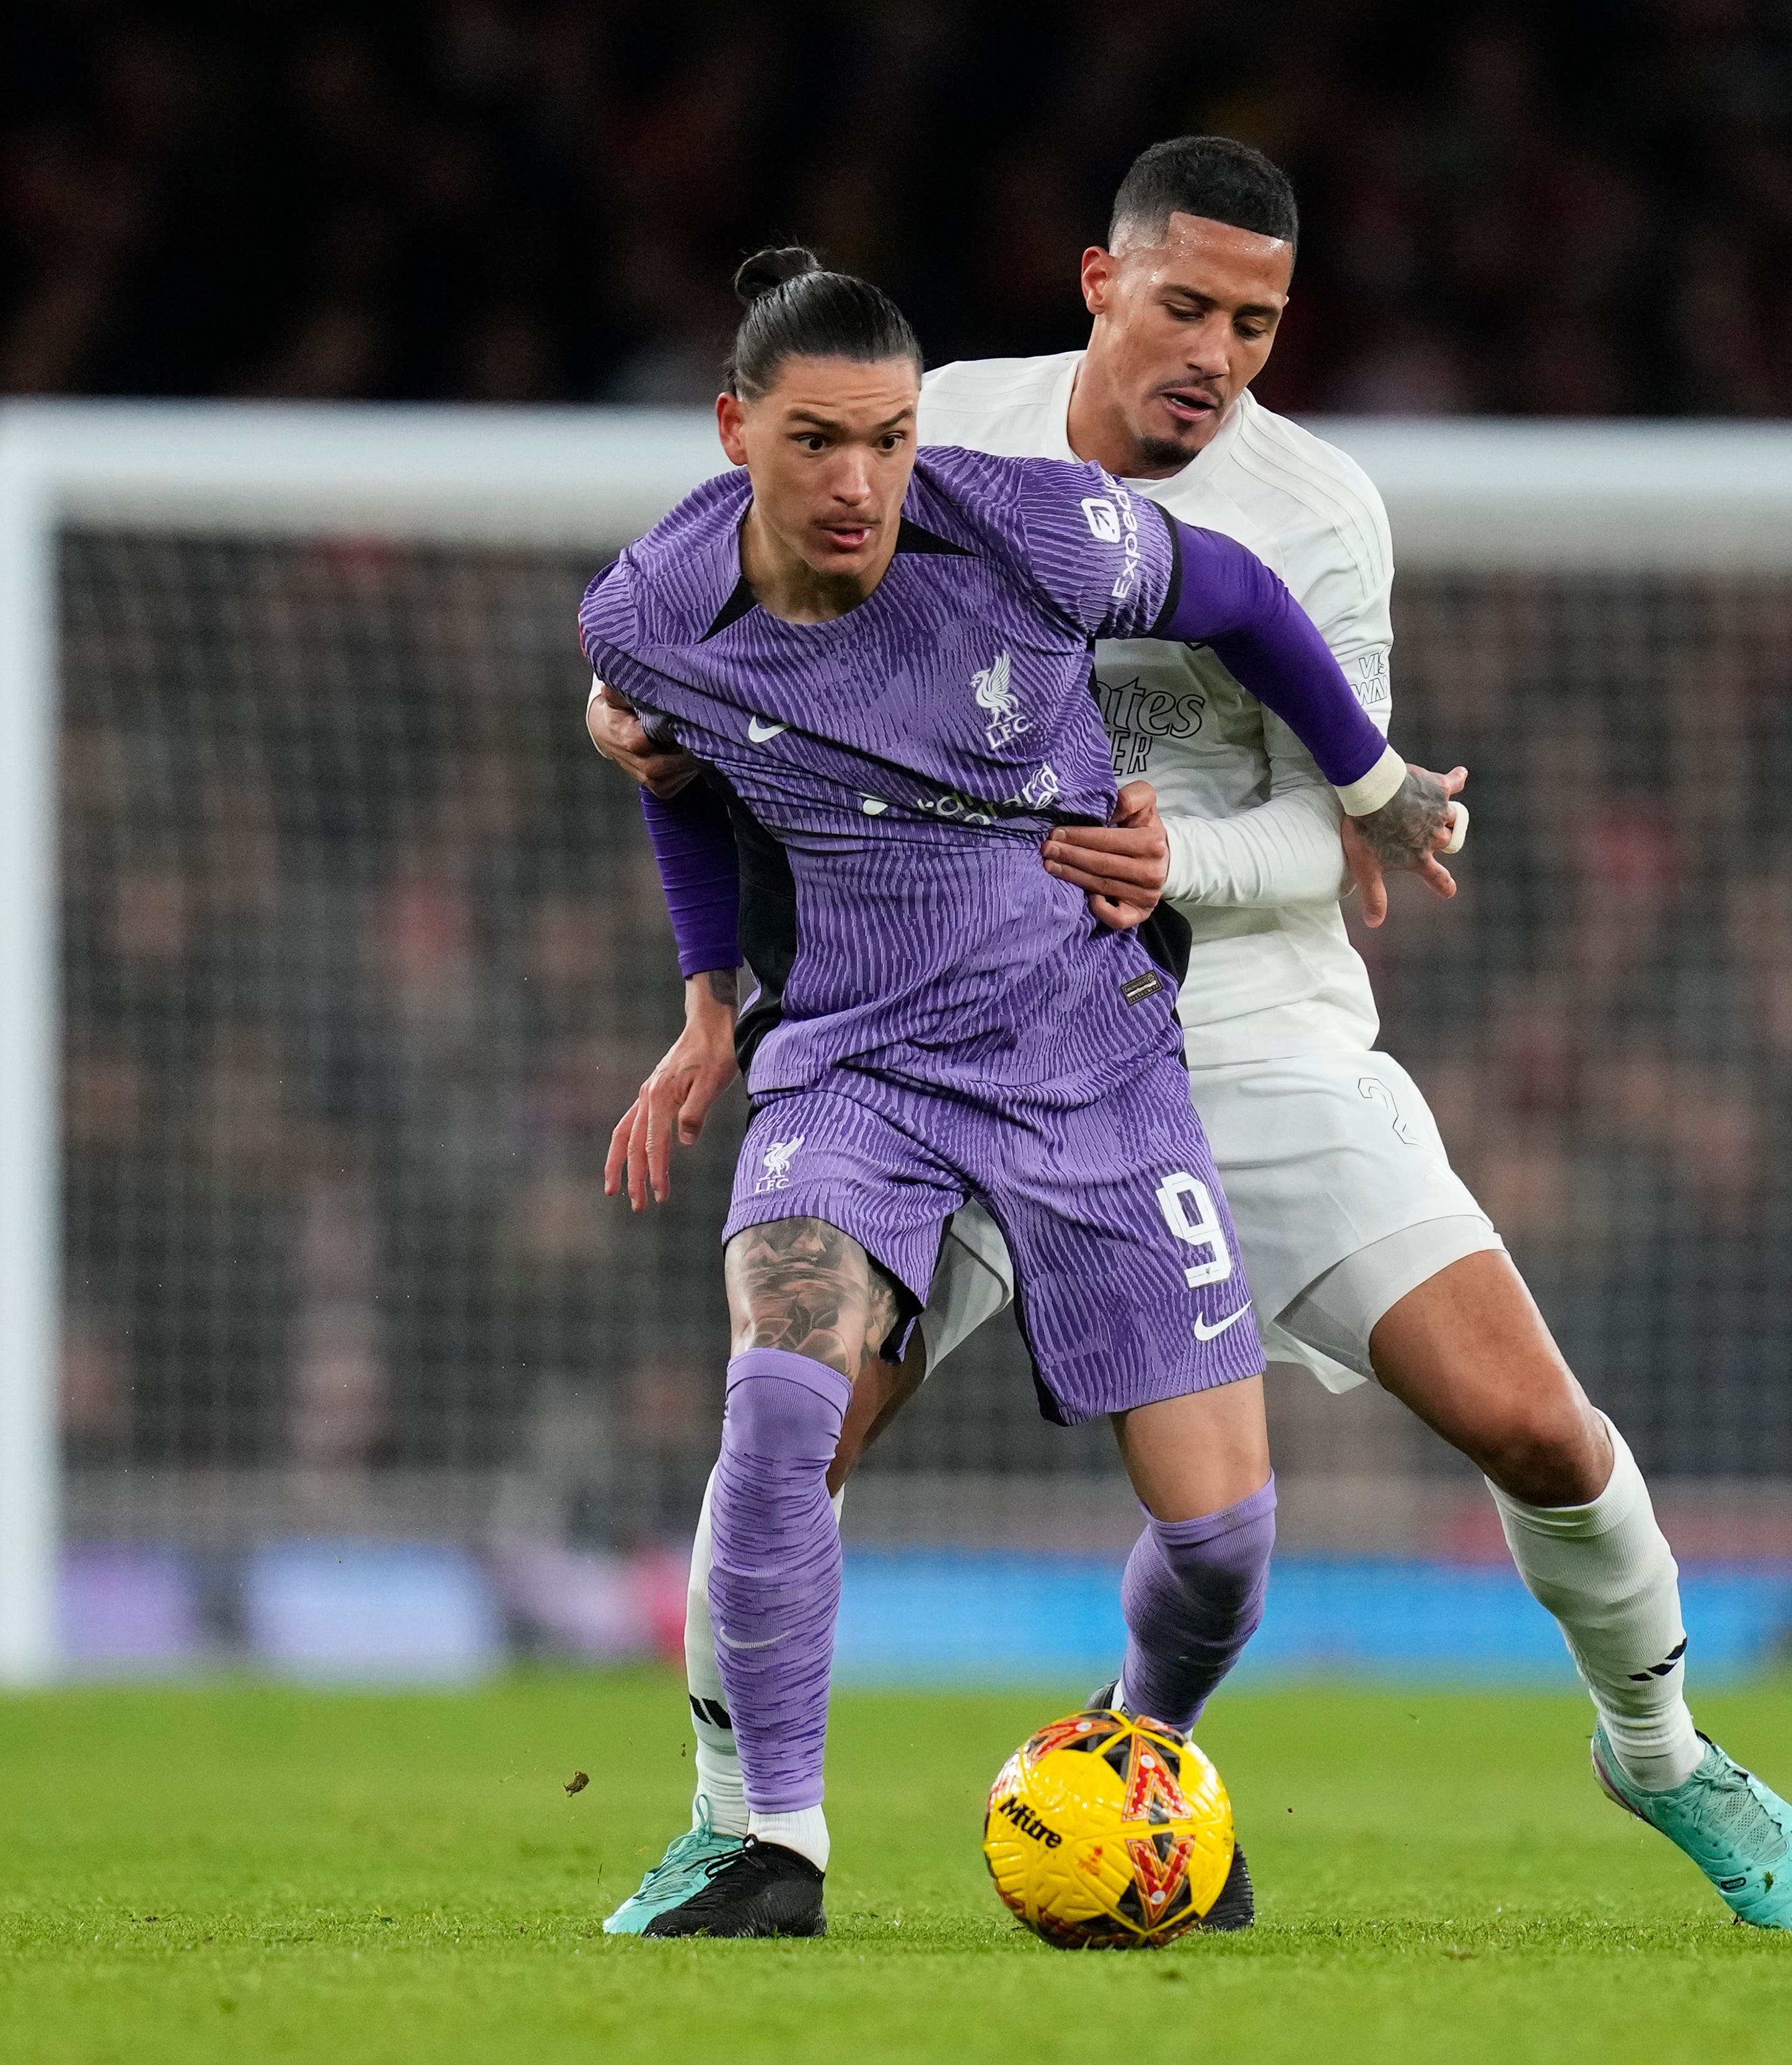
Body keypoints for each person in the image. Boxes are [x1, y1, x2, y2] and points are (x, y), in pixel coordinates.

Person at [594, 137, 1792, 1934]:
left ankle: (1652, 1746)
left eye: (1256, 323)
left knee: (1538, 1429)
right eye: (1186, 305)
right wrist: (621, 715)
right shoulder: (946, 427)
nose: (1218, 351)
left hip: (1246, 1029)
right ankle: (746, 1820)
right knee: (791, 1426)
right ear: (1100, 286)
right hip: (944, 1022)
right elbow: (729, 606)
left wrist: (1180, 849)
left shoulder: (1318, 510)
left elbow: (1333, 836)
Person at [581, 245, 1460, 1938]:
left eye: (894, 438)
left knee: (1224, 1551)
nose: (863, 485)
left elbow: (1252, 607)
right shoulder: (645, 615)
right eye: (821, 441)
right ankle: (765, 1840)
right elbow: (679, 775)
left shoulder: (1031, 527)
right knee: (778, 1404)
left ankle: (1145, 1763)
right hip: (856, 1064)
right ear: (733, 431)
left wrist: (1377, 783)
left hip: (1090, 1058)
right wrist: (708, 1000)